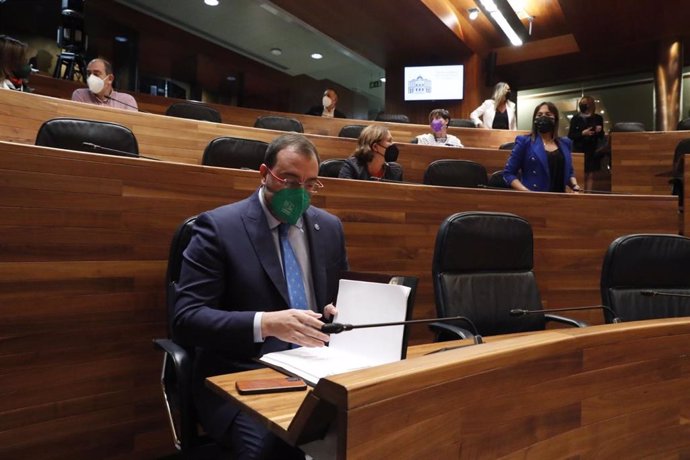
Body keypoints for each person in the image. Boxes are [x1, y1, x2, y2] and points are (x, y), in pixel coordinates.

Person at [174, 133, 348, 459]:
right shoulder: (219, 227)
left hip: (318, 369)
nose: (300, 193)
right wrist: (265, 323)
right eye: (289, 180)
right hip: (244, 376)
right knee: (278, 451)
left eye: (310, 184)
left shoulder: (330, 228)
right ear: (264, 173)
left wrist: (336, 312)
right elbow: (186, 319)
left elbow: (336, 300)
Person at [503, 101, 581, 193]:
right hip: (535, 199)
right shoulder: (524, 142)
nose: (543, 117)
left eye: (548, 114)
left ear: (555, 119)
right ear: (534, 119)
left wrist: (574, 185)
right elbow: (509, 174)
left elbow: (569, 171)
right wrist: (527, 193)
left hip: (560, 198)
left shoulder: (565, 143)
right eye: (539, 115)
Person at [338, 125, 403, 181]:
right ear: (375, 147)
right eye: (389, 141)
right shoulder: (351, 167)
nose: (393, 144)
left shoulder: (395, 171)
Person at [71, 58, 138, 111]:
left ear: (110, 79)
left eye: (96, 74)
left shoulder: (126, 101)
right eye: (89, 74)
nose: (91, 78)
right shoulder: (80, 95)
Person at [568, 95, 604, 190]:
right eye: (581, 103)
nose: (583, 105)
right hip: (579, 149)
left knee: (591, 174)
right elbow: (571, 135)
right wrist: (582, 133)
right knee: (580, 173)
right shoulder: (576, 118)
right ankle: (580, 193)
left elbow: (601, 136)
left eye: (585, 104)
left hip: (593, 149)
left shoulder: (598, 118)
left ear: (590, 105)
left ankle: (589, 194)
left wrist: (599, 131)